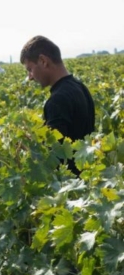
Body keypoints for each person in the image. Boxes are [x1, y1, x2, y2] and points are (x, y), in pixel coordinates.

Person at [20, 36, 95, 175]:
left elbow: (53, 155)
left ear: (43, 61)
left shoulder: (57, 100)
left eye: (30, 69)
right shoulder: (80, 87)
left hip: (69, 186)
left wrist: (26, 147)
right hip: (86, 177)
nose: (30, 77)